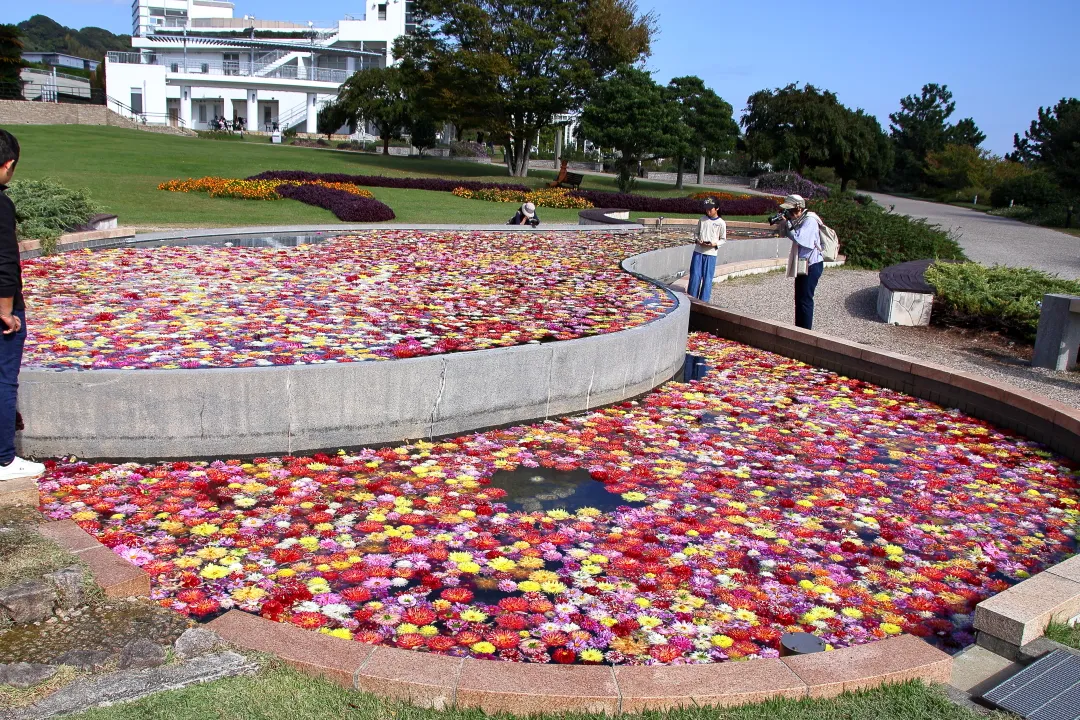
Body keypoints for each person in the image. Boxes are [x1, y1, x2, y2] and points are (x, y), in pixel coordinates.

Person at [0, 129, 45, 482]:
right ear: (8, 165)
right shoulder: (1, 204)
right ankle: (4, 458)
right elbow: (5, 262)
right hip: (3, 309)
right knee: (3, 380)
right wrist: (6, 310)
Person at [780, 194, 824, 330]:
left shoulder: (810, 220)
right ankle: (798, 329)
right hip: (803, 264)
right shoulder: (800, 220)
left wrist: (788, 224)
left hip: (812, 265)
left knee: (805, 300)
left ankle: (805, 332)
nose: (789, 213)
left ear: (798, 208)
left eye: (790, 210)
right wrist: (785, 224)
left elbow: (801, 239)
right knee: (799, 299)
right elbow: (787, 234)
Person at [686, 198, 726, 302]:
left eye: (710, 209)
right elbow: (696, 233)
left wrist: (714, 244)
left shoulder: (721, 223)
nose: (708, 211)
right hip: (698, 252)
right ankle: (691, 299)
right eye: (706, 209)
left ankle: (704, 301)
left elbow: (723, 239)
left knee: (707, 279)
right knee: (695, 276)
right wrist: (698, 240)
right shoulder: (702, 219)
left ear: (717, 208)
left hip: (711, 254)